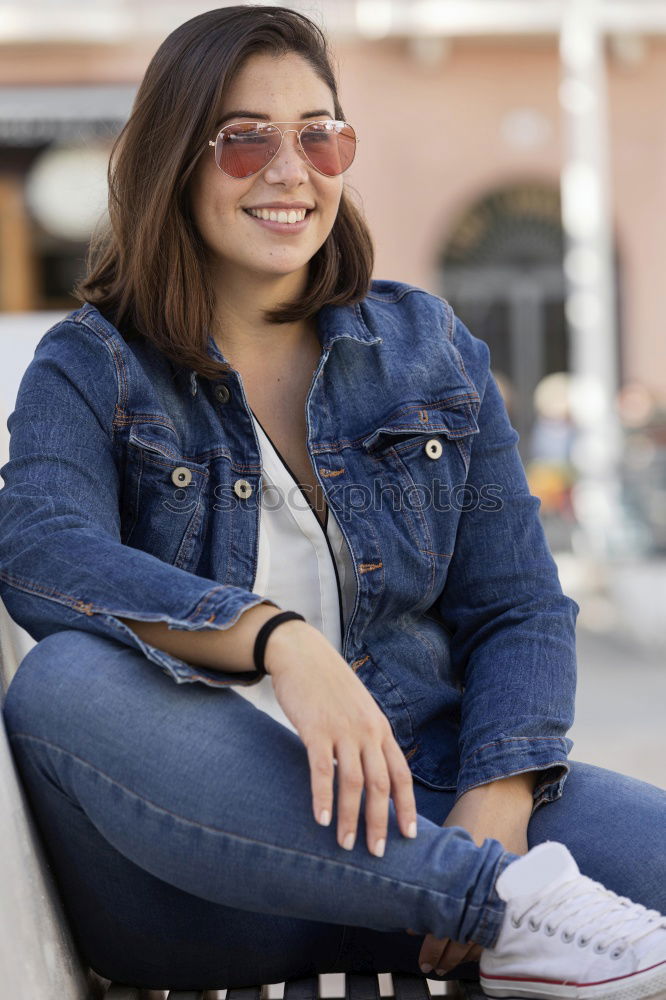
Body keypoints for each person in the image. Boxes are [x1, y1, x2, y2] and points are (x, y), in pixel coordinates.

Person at [1, 6, 665, 997]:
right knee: (63, 688)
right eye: (243, 140)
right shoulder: (91, 365)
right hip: (196, 877)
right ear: (173, 161)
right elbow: (43, 552)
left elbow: (518, 605)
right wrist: (274, 637)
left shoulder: (429, 348)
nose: (291, 169)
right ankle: (494, 906)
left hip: (420, 810)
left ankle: (480, 896)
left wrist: (499, 791)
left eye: (321, 132)